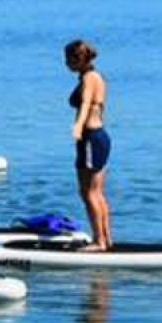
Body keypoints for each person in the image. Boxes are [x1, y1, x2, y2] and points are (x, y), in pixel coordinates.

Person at [66, 39, 113, 251]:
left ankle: (99, 241)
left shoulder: (88, 79)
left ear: (79, 59)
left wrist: (77, 126)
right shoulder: (96, 77)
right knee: (97, 192)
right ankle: (106, 237)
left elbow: (85, 104)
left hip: (91, 136)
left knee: (89, 192)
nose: (66, 63)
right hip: (99, 136)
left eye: (68, 59)